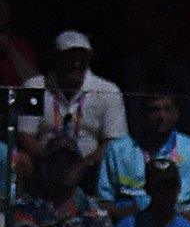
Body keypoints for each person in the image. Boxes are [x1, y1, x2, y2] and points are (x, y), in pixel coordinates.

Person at [17, 31, 125, 187]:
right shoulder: (33, 86)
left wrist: (82, 165)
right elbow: (24, 134)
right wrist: (50, 162)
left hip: (90, 169)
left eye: (82, 57)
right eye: (70, 57)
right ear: (57, 57)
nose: (76, 63)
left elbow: (114, 140)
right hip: (43, 163)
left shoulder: (108, 90)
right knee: (20, 159)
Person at [97, 92, 190, 223]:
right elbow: (104, 202)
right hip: (131, 226)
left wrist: (169, 221)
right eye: (154, 110)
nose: (162, 116)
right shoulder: (117, 149)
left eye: (167, 109)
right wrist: (134, 217)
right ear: (142, 114)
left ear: (177, 113)